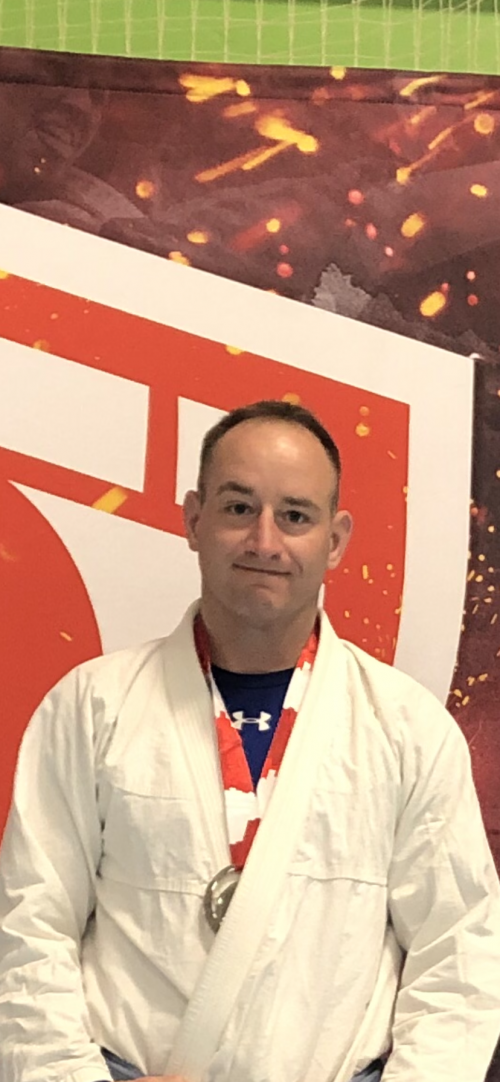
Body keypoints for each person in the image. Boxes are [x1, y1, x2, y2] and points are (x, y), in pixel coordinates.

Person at [0, 399, 499, 1082]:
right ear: (192, 519)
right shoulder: (91, 707)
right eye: (239, 508)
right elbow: (30, 925)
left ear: (336, 540)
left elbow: (459, 954)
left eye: (295, 516)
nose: (264, 541)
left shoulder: (407, 727)